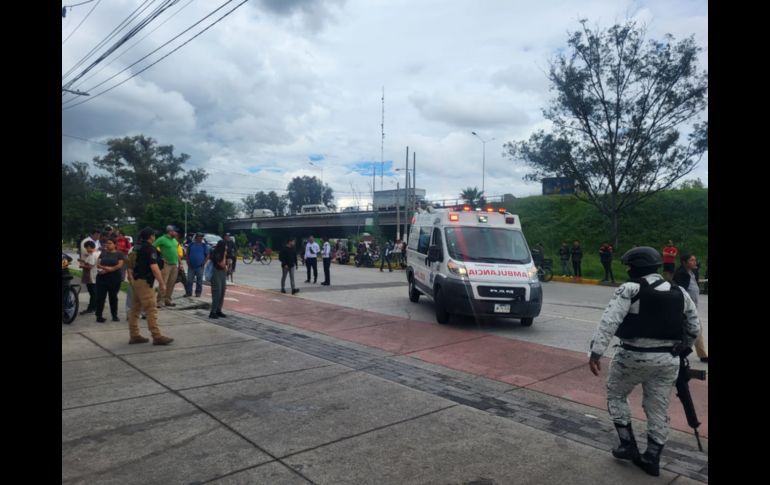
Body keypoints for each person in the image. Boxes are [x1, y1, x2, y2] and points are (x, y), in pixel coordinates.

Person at [588, 246, 699, 477]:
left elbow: (609, 321)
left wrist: (596, 352)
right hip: (668, 360)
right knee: (658, 408)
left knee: (617, 395)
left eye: (629, 266)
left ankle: (628, 444)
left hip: (632, 356)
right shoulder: (680, 291)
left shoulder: (630, 289)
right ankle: (652, 458)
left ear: (636, 267)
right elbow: (694, 327)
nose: (628, 269)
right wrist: (685, 346)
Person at [127, 227, 173, 345]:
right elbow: (154, 267)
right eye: (153, 235)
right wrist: (162, 283)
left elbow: (130, 265)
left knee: (135, 309)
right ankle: (157, 336)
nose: (154, 237)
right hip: (145, 282)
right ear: (151, 236)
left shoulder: (136, 248)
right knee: (151, 309)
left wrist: (131, 278)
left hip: (136, 281)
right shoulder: (149, 249)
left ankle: (134, 335)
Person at [673, 253, 708, 363]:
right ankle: (698, 354)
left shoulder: (693, 272)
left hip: (693, 308)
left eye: (695, 260)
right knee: (695, 330)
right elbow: (678, 292)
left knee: (697, 331)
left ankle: (702, 354)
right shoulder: (681, 274)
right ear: (684, 262)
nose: (695, 262)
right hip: (685, 309)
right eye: (692, 260)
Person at [94, 238, 126, 323]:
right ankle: (99, 315)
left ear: (115, 244)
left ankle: (114, 315)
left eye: (110, 243)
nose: (107, 245)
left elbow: (119, 265)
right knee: (100, 297)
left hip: (114, 278)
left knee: (113, 297)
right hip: (102, 277)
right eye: (106, 243)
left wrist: (111, 269)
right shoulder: (103, 253)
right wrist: (106, 268)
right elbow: (98, 264)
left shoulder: (119, 254)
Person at [154, 225, 180, 307]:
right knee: (163, 282)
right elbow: (152, 247)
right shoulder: (162, 239)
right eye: (175, 231)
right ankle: (159, 301)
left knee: (171, 283)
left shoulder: (174, 240)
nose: (176, 233)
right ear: (170, 231)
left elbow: (176, 252)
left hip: (174, 264)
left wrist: (180, 263)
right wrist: (159, 257)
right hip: (166, 264)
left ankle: (167, 299)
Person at [78, 240, 99, 315]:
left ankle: (91, 308)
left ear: (90, 247)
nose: (86, 250)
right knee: (94, 293)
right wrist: (83, 260)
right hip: (95, 276)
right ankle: (94, 307)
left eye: (87, 248)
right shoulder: (96, 253)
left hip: (91, 276)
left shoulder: (92, 255)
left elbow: (90, 266)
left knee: (92, 293)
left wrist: (82, 265)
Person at [185, 233, 209, 297]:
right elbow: (187, 254)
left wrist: (204, 262)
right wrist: (187, 262)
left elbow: (207, 256)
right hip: (191, 266)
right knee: (189, 280)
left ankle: (198, 293)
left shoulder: (204, 246)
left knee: (199, 281)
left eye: (201, 237)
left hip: (200, 266)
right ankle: (188, 292)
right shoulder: (191, 245)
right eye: (199, 237)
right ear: (196, 237)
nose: (200, 238)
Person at [209, 240, 228, 319]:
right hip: (216, 272)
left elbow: (225, 266)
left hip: (222, 273)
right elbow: (221, 264)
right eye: (225, 246)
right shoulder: (216, 253)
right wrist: (224, 254)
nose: (226, 247)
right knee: (217, 292)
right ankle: (212, 312)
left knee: (222, 291)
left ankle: (218, 310)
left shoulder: (222, 253)